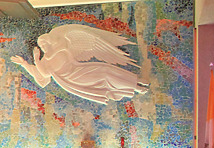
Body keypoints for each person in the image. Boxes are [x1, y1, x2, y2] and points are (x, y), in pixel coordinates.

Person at [11, 24, 148, 104]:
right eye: (41, 46)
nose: (43, 47)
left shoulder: (60, 50)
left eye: (45, 43)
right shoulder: (44, 61)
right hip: (75, 78)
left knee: (107, 69)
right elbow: (43, 75)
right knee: (105, 76)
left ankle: (136, 81)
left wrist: (37, 60)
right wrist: (27, 63)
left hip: (80, 70)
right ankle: (135, 87)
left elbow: (45, 69)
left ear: (50, 42)